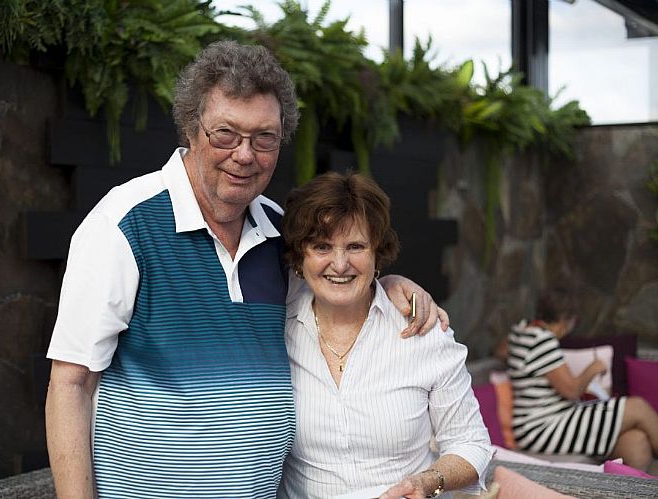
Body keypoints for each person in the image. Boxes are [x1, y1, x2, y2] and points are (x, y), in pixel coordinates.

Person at [45, 40, 447, 498]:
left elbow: (335, 290)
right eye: (226, 134)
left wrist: (388, 283)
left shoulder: (281, 231)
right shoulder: (123, 225)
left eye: (264, 138)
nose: (244, 154)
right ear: (191, 129)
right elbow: (70, 384)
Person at [278, 172, 491, 499]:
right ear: (299, 256)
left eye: (356, 246)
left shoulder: (424, 332)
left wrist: (428, 481)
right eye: (322, 246)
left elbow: (471, 444)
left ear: (377, 252)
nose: (340, 264)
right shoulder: (277, 331)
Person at [508, 287, 658, 471]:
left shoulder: (521, 331)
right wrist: (593, 369)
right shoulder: (542, 340)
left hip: (538, 425)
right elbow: (571, 391)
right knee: (637, 407)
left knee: (637, 442)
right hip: (543, 427)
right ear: (565, 320)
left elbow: (501, 351)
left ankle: (630, 486)